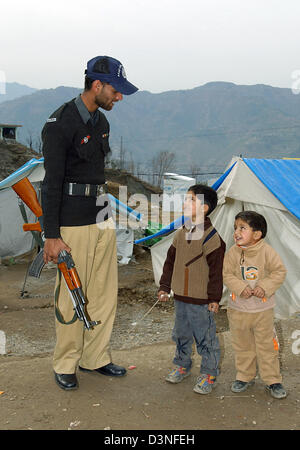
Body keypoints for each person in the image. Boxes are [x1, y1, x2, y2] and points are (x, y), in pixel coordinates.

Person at [41, 56, 138, 390]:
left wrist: (106, 218)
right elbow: (50, 183)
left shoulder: (101, 122)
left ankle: (95, 357)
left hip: (100, 215)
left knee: (103, 292)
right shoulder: (60, 123)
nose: (119, 97)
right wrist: (51, 235)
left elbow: (97, 175)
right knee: (71, 294)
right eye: (116, 90)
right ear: (97, 85)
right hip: (71, 222)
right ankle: (66, 362)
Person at [158, 184, 226, 394]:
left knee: (206, 338)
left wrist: (214, 298)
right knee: (181, 334)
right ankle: (182, 365)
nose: (185, 203)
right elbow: (169, 262)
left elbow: (216, 272)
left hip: (202, 300)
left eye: (191, 200)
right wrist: (164, 287)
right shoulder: (181, 233)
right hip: (180, 298)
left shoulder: (212, 238)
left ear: (204, 208)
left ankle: (209, 373)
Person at [223, 211, 287, 399]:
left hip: (263, 311)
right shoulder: (233, 252)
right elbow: (227, 274)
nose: (236, 232)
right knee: (242, 345)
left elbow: (279, 272)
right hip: (238, 310)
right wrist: (240, 287)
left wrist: (264, 287)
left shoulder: (267, 252)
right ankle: (244, 376)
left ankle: (273, 380)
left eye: (242, 228)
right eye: (235, 228)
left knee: (267, 346)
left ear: (257, 234)